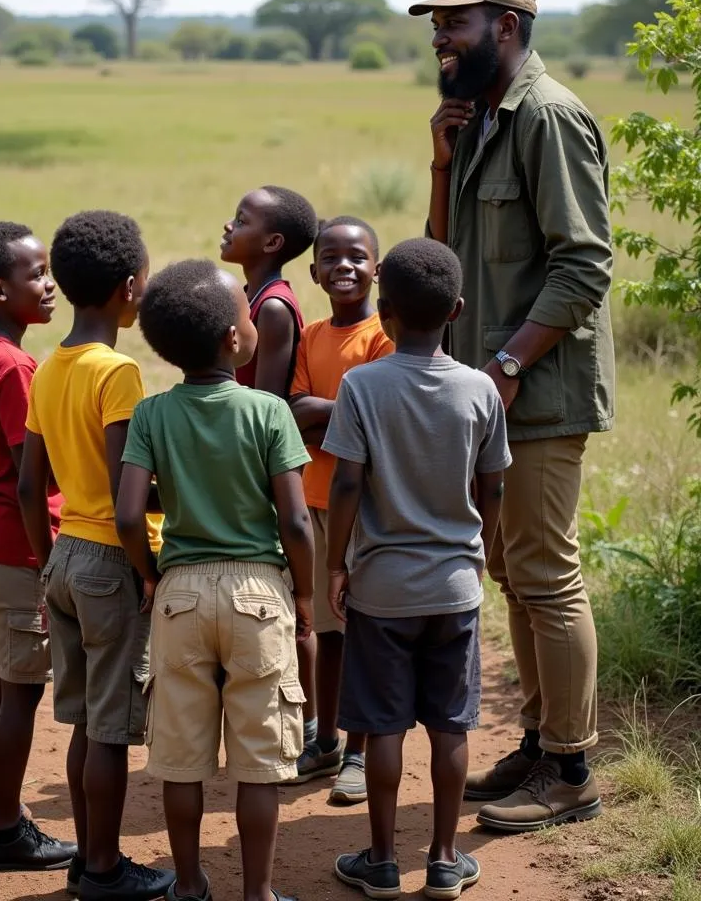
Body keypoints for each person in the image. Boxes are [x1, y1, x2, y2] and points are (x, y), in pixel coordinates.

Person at [413, 0, 614, 831]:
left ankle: (571, 770)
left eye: (455, 23)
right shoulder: (480, 120)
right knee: (510, 572)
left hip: (533, 394)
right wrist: (440, 163)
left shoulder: (549, 116)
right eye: (437, 24)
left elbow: (585, 264)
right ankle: (538, 742)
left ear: (507, 25)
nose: (439, 37)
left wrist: (505, 368)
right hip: (488, 396)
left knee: (544, 573)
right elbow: (441, 262)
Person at [115, 259, 314, 901]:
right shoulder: (268, 411)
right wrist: (304, 594)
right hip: (259, 590)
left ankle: (192, 884)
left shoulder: (151, 414)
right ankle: (257, 892)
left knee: (182, 756)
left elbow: (128, 513)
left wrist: (149, 577)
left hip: (180, 593)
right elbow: (295, 519)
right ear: (234, 339)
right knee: (259, 761)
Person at [323, 238, 510, 901]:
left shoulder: (361, 385)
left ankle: (379, 861)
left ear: (386, 309)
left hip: (382, 589)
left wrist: (335, 567)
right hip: (455, 587)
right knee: (450, 725)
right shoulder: (480, 389)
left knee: (384, 724)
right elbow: (492, 489)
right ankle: (443, 860)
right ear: (456, 310)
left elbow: (346, 486)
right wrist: (477, 550)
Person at [17, 211, 174, 901]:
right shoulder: (119, 372)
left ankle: (88, 857)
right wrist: (147, 569)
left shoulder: (49, 368)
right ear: (131, 286)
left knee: (85, 721)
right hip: (113, 560)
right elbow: (126, 498)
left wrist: (43, 562)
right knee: (111, 730)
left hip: (64, 556)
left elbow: (29, 486)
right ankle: (105, 869)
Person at [0, 221, 77, 873]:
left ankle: (6, 813)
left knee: (4, 681)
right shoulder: (16, 366)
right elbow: (35, 477)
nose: (49, 285)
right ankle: (3, 830)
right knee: (22, 690)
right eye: (37, 275)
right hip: (20, 545)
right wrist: (48, 556)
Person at [288, 217, 393, 803]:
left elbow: (378, 411)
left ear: (376, 268)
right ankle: (325, 740)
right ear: (314, 271)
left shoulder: (383, 337)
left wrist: (326, 411)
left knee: (357, 633)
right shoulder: (312, 335)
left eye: (357, 257)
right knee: (327, 634)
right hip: (314, 502)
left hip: (362, 508)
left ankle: (357, 752)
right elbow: (294, 405)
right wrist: (344, 409)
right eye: (331, 257)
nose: (344, 267)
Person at [220, 186, 318, 397]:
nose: (228, 226)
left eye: (241, 221)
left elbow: (267, 402)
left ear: (272, 243)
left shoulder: (274, 307)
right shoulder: (249, 296)